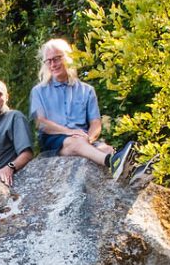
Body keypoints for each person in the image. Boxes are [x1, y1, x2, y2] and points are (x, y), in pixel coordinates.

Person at [30, 38, 135, 180]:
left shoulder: (87, 90)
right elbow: (40, 123)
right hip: (53, 141)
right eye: (48, 61)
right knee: (76, 143)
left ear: (67, 58)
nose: (53, 64)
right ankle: (111, 162)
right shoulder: (39, 91)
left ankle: (132, 173)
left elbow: (96, 124)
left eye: (57, 59)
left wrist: (89, 139)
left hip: (82, 139)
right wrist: (70, 132)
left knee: (107, 148)